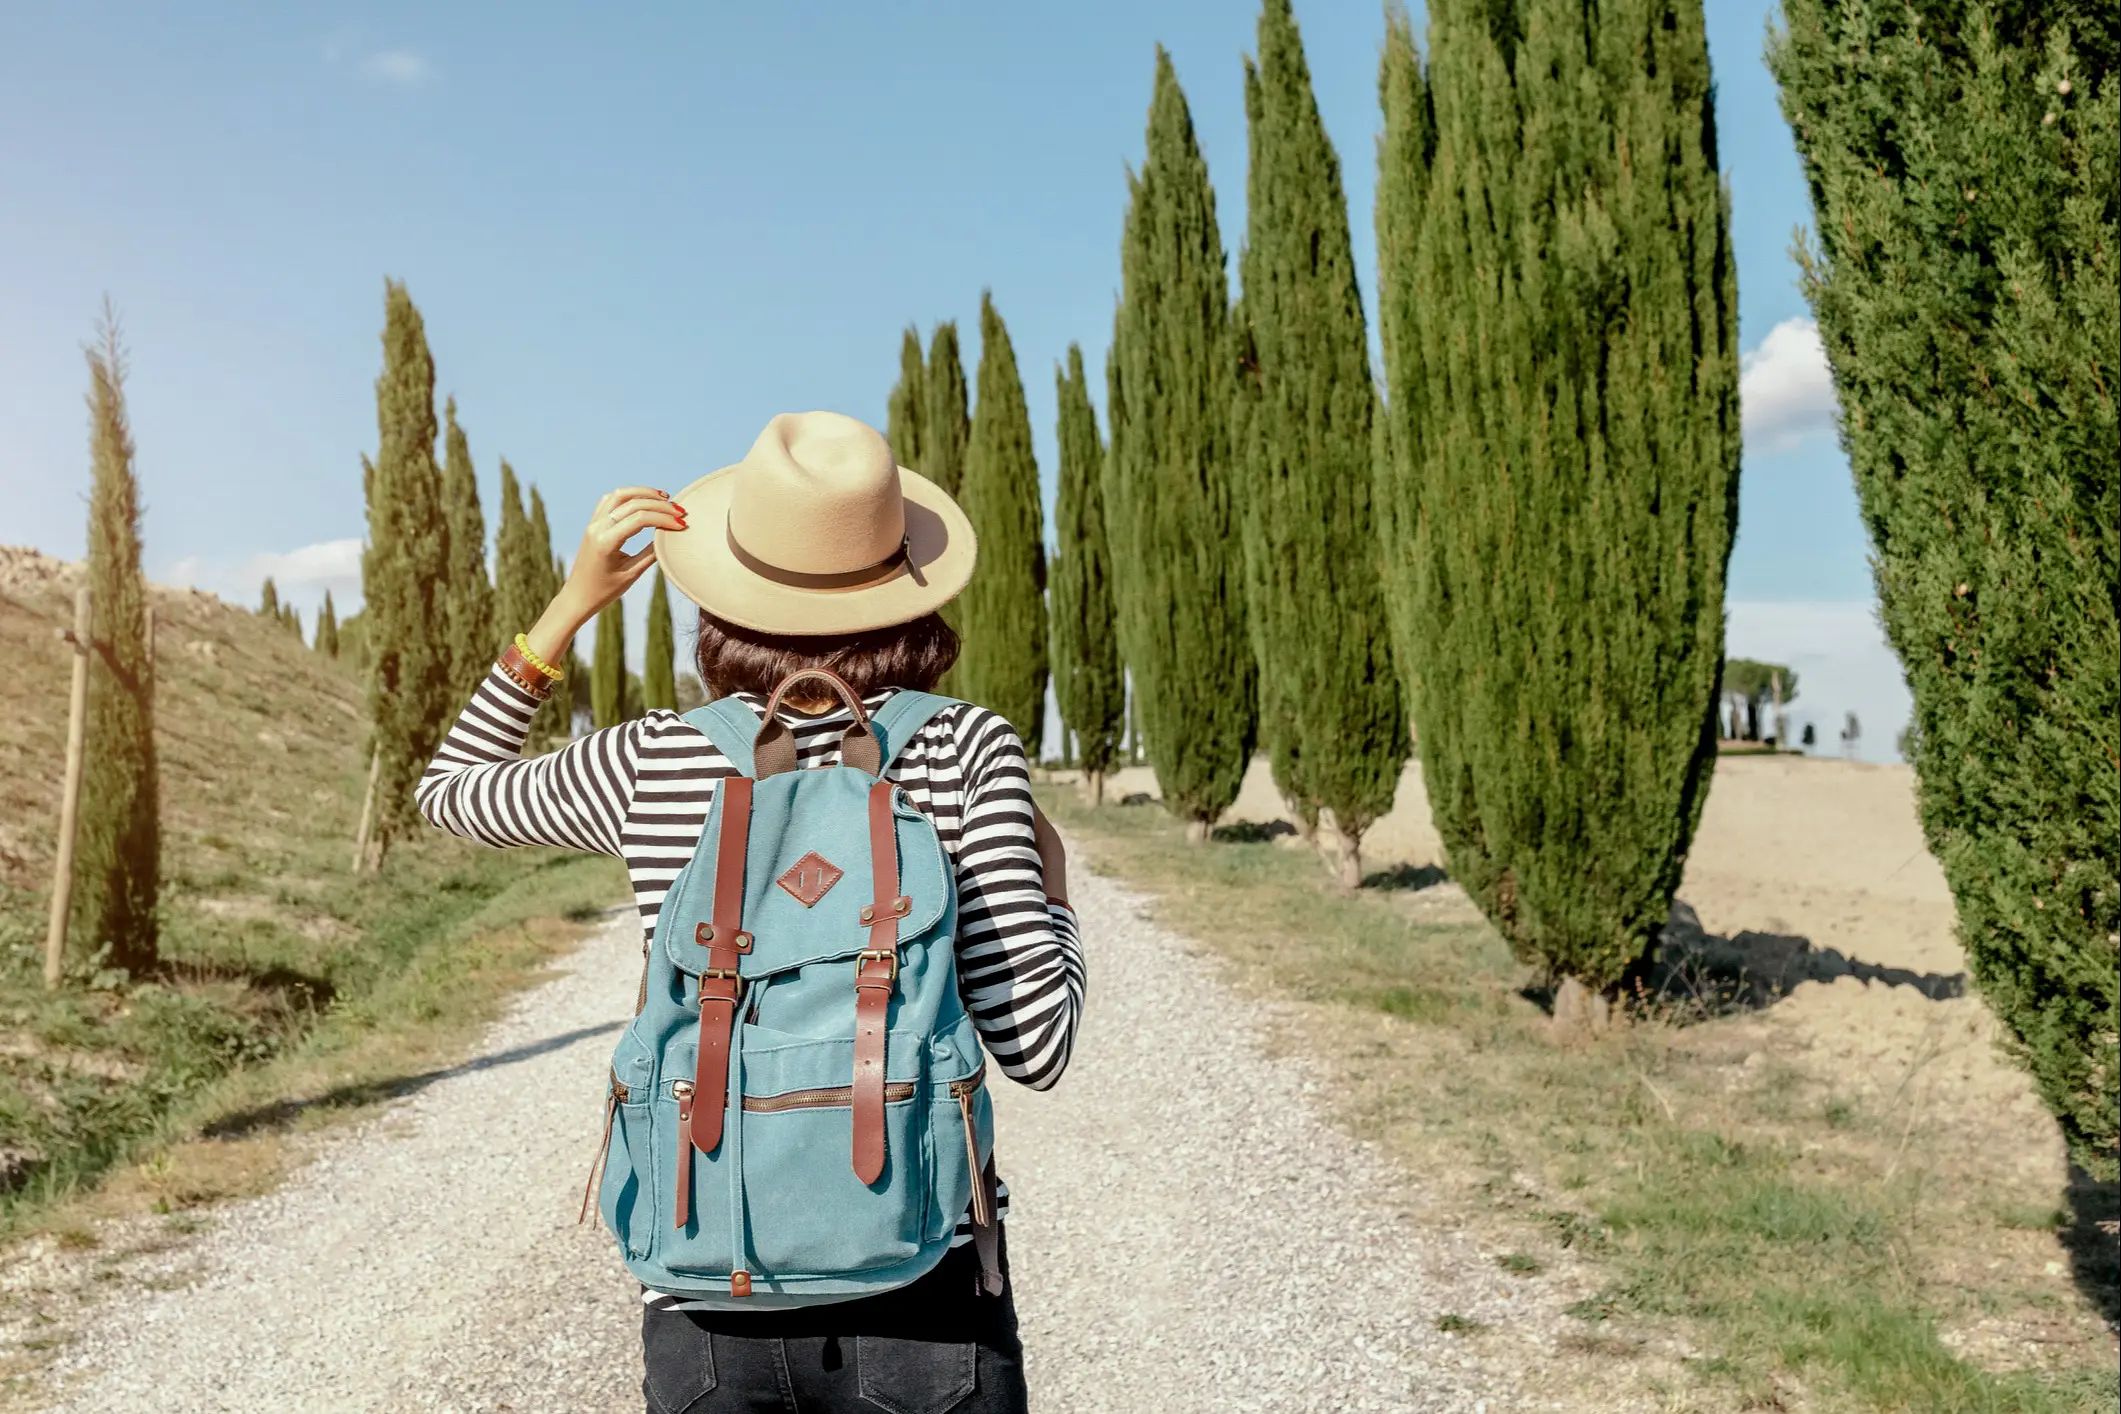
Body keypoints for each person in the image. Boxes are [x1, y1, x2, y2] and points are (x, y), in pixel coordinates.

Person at [417, 410, 1085, 1414]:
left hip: (704, 1297)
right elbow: (1039, 1044)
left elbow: (451, 790)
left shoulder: (652, 758)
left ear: (726, 600)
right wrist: (1059, 888)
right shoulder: (962, 748)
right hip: (924, 1288)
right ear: (907, 595)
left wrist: (566, 608)